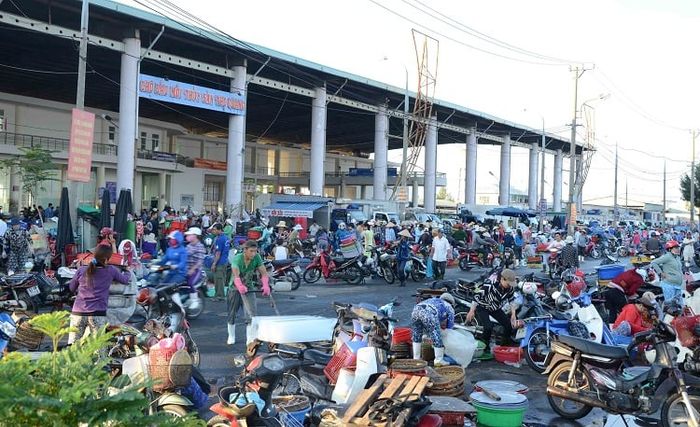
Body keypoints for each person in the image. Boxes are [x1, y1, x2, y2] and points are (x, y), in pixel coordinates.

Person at [68, 245, 131, 344]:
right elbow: (125, 280)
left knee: (72, 346)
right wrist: (127, 270)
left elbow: (71, 288)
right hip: (97, 314)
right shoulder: (111, 270)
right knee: (99, 348)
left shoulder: (82, 269)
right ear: (107, 259)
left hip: (78, 313)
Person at [227, 240, 270, 345]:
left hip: (249, 287)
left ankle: (250, 339)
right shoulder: (237, 259)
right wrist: (240, 285)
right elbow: (236, 275)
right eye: (251, 251)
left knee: (252, 315)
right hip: (234, 288)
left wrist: (265, 284)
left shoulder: (257, 258)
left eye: (255, 251)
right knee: (232, 313)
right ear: (245, 250)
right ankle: (231, 336)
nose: (253, 254)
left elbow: (263, 273)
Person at [465, 268, 518, 353]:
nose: (509, 286)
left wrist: (513, 314)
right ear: (502, 279)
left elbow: (512, 300)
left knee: (508, 325)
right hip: (482, 307)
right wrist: (472, 311)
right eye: (508, 283)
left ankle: (504, 346)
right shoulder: (489, 285)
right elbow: (476, 296)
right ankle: (485, 347)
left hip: (495, 308)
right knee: (488, 327)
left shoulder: (510, 289)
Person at [411, 293, 455, 366]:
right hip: (428, 313)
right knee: (436, 336)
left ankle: (416, 359)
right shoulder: (449, 307)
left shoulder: (434, 300)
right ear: (451, 303)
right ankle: (439, 360)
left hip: (416, 310)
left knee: (417, 334)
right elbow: (449, 329)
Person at [184, 227, 205, 310]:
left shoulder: (200, 246)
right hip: (186, 269)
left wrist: (192, 269)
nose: (188, 236)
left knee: (190, 283)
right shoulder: (188, 246)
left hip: (196, 270)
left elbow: (200, 261)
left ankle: (195, 300)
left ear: (195, 236)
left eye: (190, 234)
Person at [210, 223, 231, 299]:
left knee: (218, 279)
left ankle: (219, 296)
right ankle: (220, 295)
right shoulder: (226, 238)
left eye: (215, 229)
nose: (213, 231)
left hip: (220, 262)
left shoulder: (220, 239)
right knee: (222, 279)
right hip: (225, 261)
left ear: (219, 230)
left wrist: (214, 264)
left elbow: (218, 253)